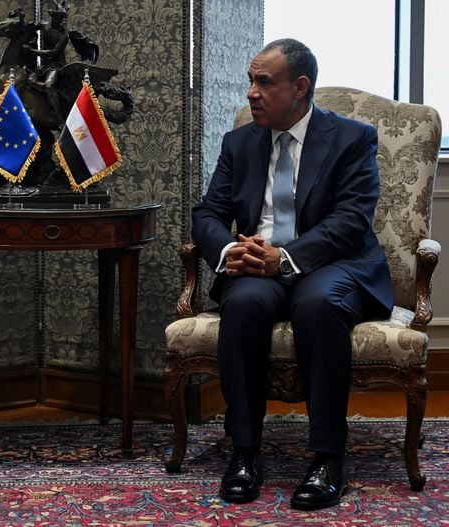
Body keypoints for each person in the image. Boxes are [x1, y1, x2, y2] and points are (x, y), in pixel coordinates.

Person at [191, 38, 393, 511]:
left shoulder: (352, 138)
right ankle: (244, 453)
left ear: (300, 87)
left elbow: (351, 220)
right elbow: (208, 213)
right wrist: (229, 251)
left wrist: (284, 257)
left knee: (318, 304)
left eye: (264, 82)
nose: (251, 93)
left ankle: (328, 459)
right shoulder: (240, 142)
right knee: (243, 302)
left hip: (333, 264)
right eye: (250, 81)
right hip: (258, 264)